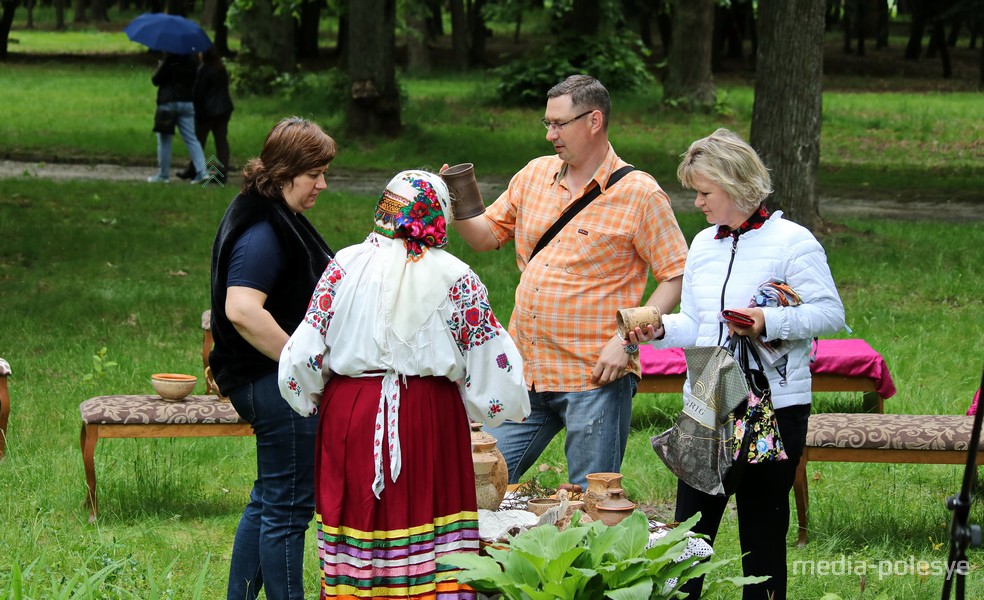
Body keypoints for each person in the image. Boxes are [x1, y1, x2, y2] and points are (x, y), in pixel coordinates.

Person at [278, 169, 530, 598]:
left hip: (350, 412)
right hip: (427, 415)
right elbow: (491, 361)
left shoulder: (344, 265)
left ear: (386, 208)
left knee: (358, 516)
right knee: (430, 516)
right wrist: (493, 405)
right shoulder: (457, 277)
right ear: (439, 215)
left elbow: (302, 356)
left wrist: (314, 396)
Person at [626, 128, 846, 600]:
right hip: (709, 402)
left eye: (705, 193)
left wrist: (767, 319)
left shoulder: (793, 241)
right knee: (688, 537)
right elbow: (698, 324)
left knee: (763, 534)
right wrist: (660, 329)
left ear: (737, 184)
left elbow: (830, 314)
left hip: (774, 408)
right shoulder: (704, 243)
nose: (698, 203)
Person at [449, 74, 689, 491]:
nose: (549, 135)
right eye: (547, 123)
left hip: (594, 377)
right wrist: (454, 193)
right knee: (478, 486)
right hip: (527, 373)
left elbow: (676, 275)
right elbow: (485, 237)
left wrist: (626, 339)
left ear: (594, 121)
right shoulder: (535, 175)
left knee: (591, 502)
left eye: (559, 124)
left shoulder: (640, 193)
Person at [209, 116, 337, 600]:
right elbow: (241, 309)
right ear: (285, 173)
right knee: (288, 507)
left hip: (266, 380)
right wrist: (300, 364)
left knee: (269, 499)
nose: (322, 184)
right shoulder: (262, 227)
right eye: (315, 174)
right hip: (269, 381)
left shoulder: (271, 213)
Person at [147, 52, 208, 184]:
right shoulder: (193, 60)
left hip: (168, 102)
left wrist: (160, 66)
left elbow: (155, 80)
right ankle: (203, 172)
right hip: (187, 102)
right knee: (191, 139)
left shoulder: (170, 57)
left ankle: (163, 175)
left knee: (164, 140)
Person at [178, 47, 234, 184]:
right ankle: (222, 173)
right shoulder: (221, 68)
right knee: (221, 141)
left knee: (197, 140)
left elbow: (198, 92)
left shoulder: (204, 70)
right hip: (224, 109)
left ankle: (193, 169)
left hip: (208, 111)